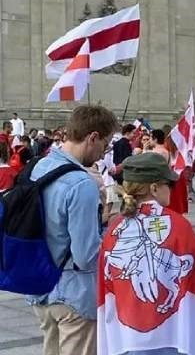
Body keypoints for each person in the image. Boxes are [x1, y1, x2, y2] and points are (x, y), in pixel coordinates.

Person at [98, 152, 195, 354]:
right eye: (169, 184)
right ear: (154, 188)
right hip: (172, 335)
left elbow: (107, 284)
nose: (172, 189)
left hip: (126, 334)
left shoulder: (115, 228)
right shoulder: (179, 225)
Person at [27, 105, 119, 355]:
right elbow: (85, 254)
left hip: (40, 287)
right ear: (93, 137)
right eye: (106, 144)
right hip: (73, 294)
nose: (103, 153)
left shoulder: (39, 167)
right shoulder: (81, 184)